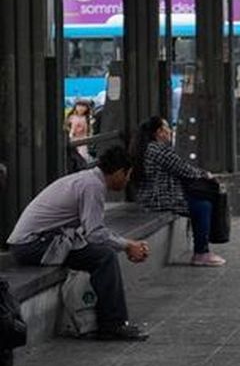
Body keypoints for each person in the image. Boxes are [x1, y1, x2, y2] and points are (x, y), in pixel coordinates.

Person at [6, 146, 150, 341]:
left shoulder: (88, 179)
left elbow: (92, 231)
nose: (127, 181)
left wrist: (125, 244)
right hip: (32, 245)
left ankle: (108, 321)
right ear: (118, 172)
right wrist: (128, 245)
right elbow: (95, 234)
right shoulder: (93, 186)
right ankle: (113, 324)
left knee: (101, 252)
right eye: (128, 175)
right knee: (104, 257)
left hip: (36, 242)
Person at [131, 116, 225, 267]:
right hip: (160, 198)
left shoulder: (145, 148)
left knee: (197, 202)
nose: (170, 131)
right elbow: (183, 169)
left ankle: (202, 249)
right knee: (202, 206)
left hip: (149, 197)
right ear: (159, 132)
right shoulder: (158, 149)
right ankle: (201, 252)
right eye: (167, 127)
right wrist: (205, 174)